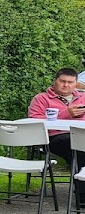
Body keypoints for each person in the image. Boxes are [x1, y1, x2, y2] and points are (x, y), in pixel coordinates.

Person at [28, 68, 85, 202]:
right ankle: (82, 197)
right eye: (62, 81)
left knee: (79, 150)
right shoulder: (41, 98)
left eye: (70, 82)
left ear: (76, 83)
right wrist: (66, 114)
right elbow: (33, 123)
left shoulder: (83, 98)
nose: (66, 85)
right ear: (55, 81)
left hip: (81, 135)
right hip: (54, 137)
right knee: (79, 151)